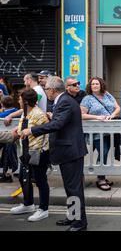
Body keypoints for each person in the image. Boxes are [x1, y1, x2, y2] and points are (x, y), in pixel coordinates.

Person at [20, 76, 88, 231]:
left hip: (70, 152)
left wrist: (31, 130)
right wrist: (53, 116)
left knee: (74, 188)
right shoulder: (63, 101)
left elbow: (58, 124)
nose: (46, 92)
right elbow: (61, 120)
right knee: (70, 188)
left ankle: (79, 223)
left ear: (52, 90)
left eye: (46, 90)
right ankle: (73, 217)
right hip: (68, 151)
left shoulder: (64, 101)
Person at [10, 89, 50, 222]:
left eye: (20, 99)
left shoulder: (39, 114)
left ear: (26, 101)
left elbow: (42, 132)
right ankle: (28, 204)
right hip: (26, 151)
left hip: (39, 152)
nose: (19, 101)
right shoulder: (25, 113)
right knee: (23, 178)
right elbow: (23, 129)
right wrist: (17, 130)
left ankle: (43, 209)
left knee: (40, 181)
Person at [80, 77, 120, 191]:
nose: (95, 86)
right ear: (90, 86)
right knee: (103, 151)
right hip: (96, 131)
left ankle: (101, 174)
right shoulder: (87, 99)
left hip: (109, 130)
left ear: (101, 85)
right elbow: (81, 114)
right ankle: (100, 177)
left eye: (97, 84)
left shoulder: (107, 95)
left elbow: (118, 107)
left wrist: (112, 115)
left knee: (105, 153)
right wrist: (97, 117)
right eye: (93, 84)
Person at [0, 96, 19, 182]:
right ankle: (10, 169)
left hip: (4, 137)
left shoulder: (1, 115)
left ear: (2, 104)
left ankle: (4, 171)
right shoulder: (17, 112)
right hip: (16, 137)